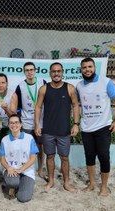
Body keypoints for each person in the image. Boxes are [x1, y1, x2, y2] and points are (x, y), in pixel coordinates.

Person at [76, 57, 115, 197]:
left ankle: (104, 187)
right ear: (81, 70)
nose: (87, 69)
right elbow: (77, 105)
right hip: (87, 128)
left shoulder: (106, 82)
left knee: (103, 157)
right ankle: (92, 184)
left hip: (103, 127)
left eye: (90, 66)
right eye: (84, 67)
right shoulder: (79, 86)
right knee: (89, 157)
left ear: (94, 68)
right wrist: (77, 123)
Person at [34, 62, 80, 192]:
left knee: (64, 157)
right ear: (50, 73)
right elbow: (38, 107)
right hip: (48, 130)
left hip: (64, 131)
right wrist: (37, 125)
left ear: (62, 72)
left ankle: (66, 183)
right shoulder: (43, 89)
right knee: (50, 156)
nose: (56, 73)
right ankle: (51, 181)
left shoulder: (70, 88)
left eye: (58, 71)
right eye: (54, 71)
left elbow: (76, 106)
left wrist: (76, 124)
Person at [11, 62, 46, 179]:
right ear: (24, 72)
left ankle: (40, 169)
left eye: (31, 70)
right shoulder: (20, 86)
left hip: (41, 122)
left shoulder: (43, 83)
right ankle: (25, 169)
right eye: (27, 70)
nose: (29, 72)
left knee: (40, 146)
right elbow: (18, 107)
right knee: (25, 148)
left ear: (35, 71)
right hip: (26, 122)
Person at [0, 114, 38, 202]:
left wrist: (20, 170)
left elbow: (33, 158)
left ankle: (23, 185)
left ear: (21, 124)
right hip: (11, 170)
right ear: (8, 125)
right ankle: (13, 185)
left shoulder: (29, 138)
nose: (14, 125)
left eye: (16, 122)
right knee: (13, 182)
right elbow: (2, 159)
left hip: (26, 171)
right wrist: (8, 167)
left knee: (23, 198)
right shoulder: (4, 140)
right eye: (11, 123)